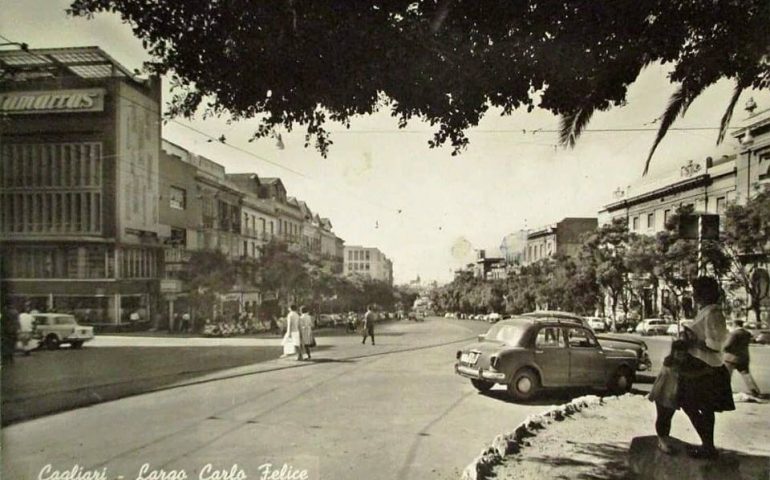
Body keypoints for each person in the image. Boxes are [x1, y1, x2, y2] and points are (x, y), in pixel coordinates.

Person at [676, 276, 735, 460]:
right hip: (700, 365)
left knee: (694, 404)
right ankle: (707, 445)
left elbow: (717, 344)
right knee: (700, 406)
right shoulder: (706, 311)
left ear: (703, 293)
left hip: (707, 368)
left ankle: (708, 446)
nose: (693, 294)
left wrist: (693, 341)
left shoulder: (713, 313)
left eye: (696, 291)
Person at [648, 339, 689, 454]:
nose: (681, 355)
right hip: (663, 392)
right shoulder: (669, 362)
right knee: (662, 416)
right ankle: (661, 440)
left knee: (668, 417)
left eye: (683, 353)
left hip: (673, 394)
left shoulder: (683, 364)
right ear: (673, 352)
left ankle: (664, 439)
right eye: (678, 353)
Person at [723, 319, 761, 397]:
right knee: (746, 374)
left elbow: (727, 345)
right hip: (743, 357)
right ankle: (755, 391)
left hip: (731, 358)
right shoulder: (747, 333)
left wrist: (722, 348)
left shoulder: (734, 333)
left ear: (735, 324)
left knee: (725, 375)